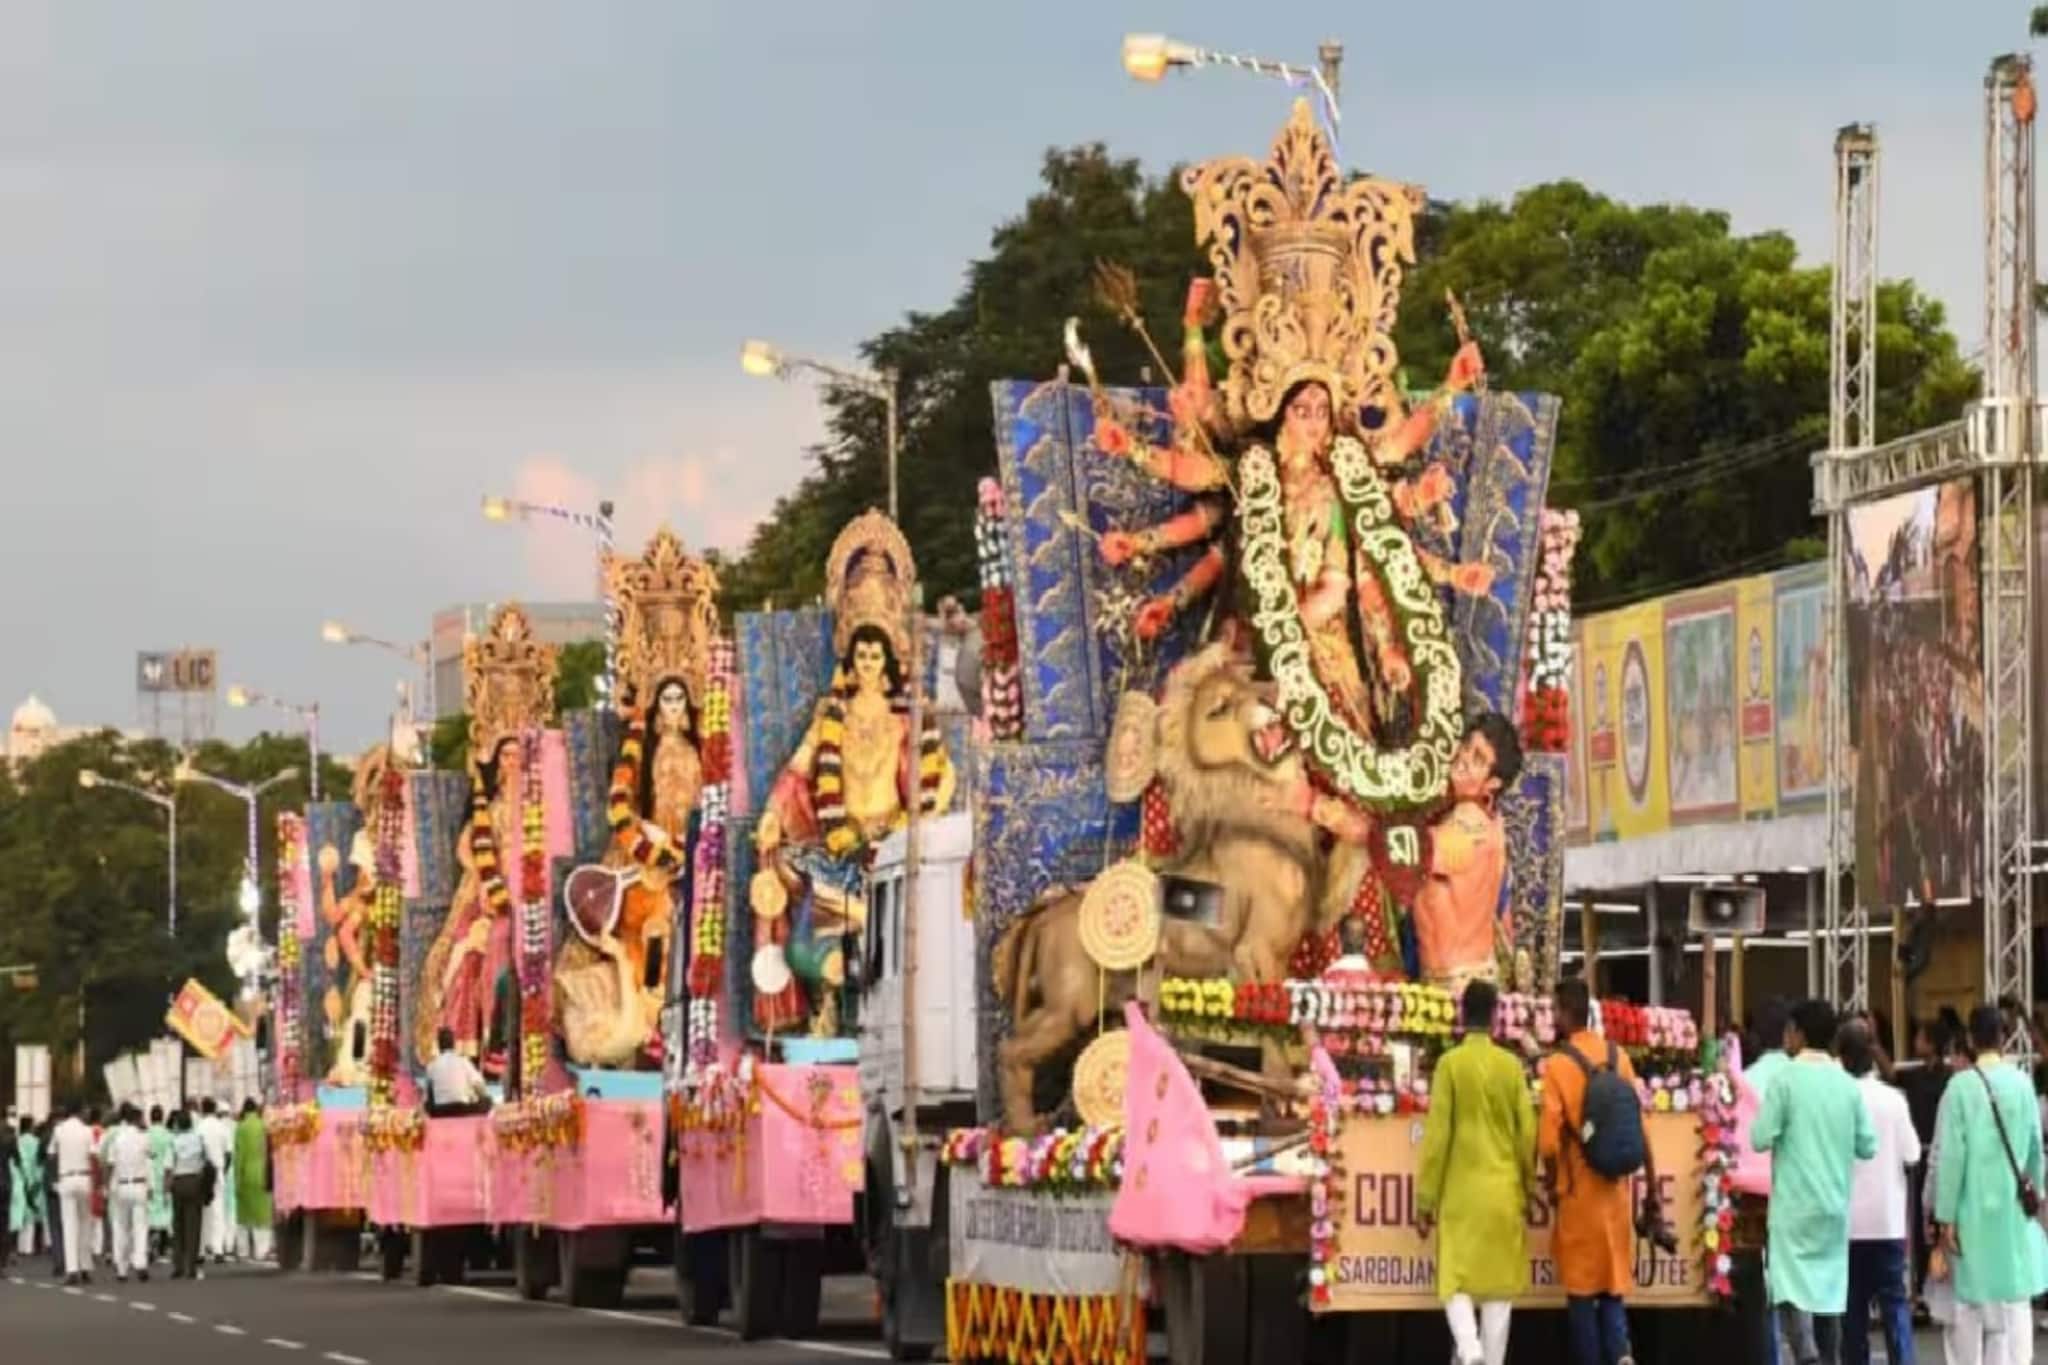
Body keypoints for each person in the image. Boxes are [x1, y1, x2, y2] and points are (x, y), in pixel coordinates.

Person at [1751, 997, 1877, 1365]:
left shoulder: (1785, 1080)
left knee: (1791, 1288)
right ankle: (1829, 1357)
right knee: (1828, 1292)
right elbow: (1868, 1145)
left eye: (1790, 1031)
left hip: (1793, 1207)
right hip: (1834, 1205)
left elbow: (1759, 1137)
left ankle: (1806, 1353)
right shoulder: (1847, 1085)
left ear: (1799, 1034)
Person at [1416, 979, 1535, 1365]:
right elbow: (1527, 1135)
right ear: (1497, 1016)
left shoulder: (1450, 1065)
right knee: (1499, 1290)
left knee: (1455, 1279)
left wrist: (1425, 1201)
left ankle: (1469, 1350)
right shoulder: (1511, 1067)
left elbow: (1436, 1139)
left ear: (1462, 1015)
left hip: (1461, 1194)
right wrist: (1529, 1187)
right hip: (1503, 1193)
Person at [1539, 976, 1651, 1365]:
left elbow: (1548, 1143)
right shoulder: (1619, 1058)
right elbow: (1640, 1127)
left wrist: (1552, 1182)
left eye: (1554, 1010)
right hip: (1615, 1194)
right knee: (1612, 1289)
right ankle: (1621, 1355)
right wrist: (1652, 1191)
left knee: (1582, 1296)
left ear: (1564, 1013)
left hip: (1578, 1195)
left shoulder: (1557, 1066)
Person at [1933, 1003, 2048, 1365]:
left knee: (1970, 1302)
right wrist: (2037, 1193)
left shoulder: (1960, 1087)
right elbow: (2035, 1148)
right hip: (2014, 1210)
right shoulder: (2022, 1082)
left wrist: (1945, 1216)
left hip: (1971, 1211)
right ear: (2003, 1037)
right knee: (2015, 1299)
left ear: (1970, 1039)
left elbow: (1951, 1158)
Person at [1840, 1020, 1919, 1365]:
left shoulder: (1838, 1099)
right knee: (1895, 1306)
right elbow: (1912, 1154)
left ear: (1842, 1057)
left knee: (1852, 1312)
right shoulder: (1894, 1100)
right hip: (1887, 1220)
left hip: (1847, 1223)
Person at [103, 1106, 152, 1283]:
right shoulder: (144, 1138)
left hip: (121, 1185)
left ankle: (121, 1268)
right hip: (140, 1184)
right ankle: (140, 1263)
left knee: (121, 1227)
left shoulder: (118, 1139)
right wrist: (151, 1186)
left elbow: (110, 1165)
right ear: (137, 1119)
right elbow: (150, 1160)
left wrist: (106, 1186)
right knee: (140, 1227)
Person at [49, 1102, 95, 1285]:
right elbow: (93, 1155)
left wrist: (54, 1177)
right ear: (79, 1112)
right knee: (85, 1223)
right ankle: (86, 1267)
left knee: (69, 1224)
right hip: (84, 1177)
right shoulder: (87, 1130)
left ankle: (72, 1269)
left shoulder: (59, 1130)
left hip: (66, 1178)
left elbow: (51, 1154)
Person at [165, 1110, 207, 1280]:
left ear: (177, 1124)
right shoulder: (198, 1140)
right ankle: (192, 1266)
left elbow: (169, 1167)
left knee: (178, 1224)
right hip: (195, 1181)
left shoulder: (174, 1141)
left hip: (178, 1182)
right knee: (193, 1225)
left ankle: (178, 1265)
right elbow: (204, 1161)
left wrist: (166, 1187)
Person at [232, 1099, 271, 1261]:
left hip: (246, 1173)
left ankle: (243, 1250)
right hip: (262, 1172)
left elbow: (239, 1156)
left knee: (243, 1215)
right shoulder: (264, 1126)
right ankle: (262, 1250)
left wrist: (237, 1178)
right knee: (262, 1214)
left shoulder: (241, 1128)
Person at [424, 1028, 490, 1117]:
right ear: (454, 1044)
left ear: (439, 1045)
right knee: (487, 1101)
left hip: (440, 1111)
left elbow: (428, 1095)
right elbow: (479, 1086)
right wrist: (479, 1097)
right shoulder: (464, 1061)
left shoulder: (432, 1065)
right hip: (462, 1110)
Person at [197, 1098, 231, 1263]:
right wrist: (223, 1170)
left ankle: (201, 1250)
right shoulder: (222, 1127)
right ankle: (218, 1250)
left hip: (202, 1172)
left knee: (203, 1212)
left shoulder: (198, 1127)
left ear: (202, 1109)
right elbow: (228, 1153)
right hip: (218, 1171)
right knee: (218, 1211)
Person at [145, 1105, 172, 1263]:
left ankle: (150, 1242)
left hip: (149, 1178)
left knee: (150, 1213)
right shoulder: (168, 1136)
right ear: (162, 1117)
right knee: (165, 1213)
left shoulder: (145, 1135)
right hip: (165, 1177)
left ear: (150, 1117)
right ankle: (162, 1249)